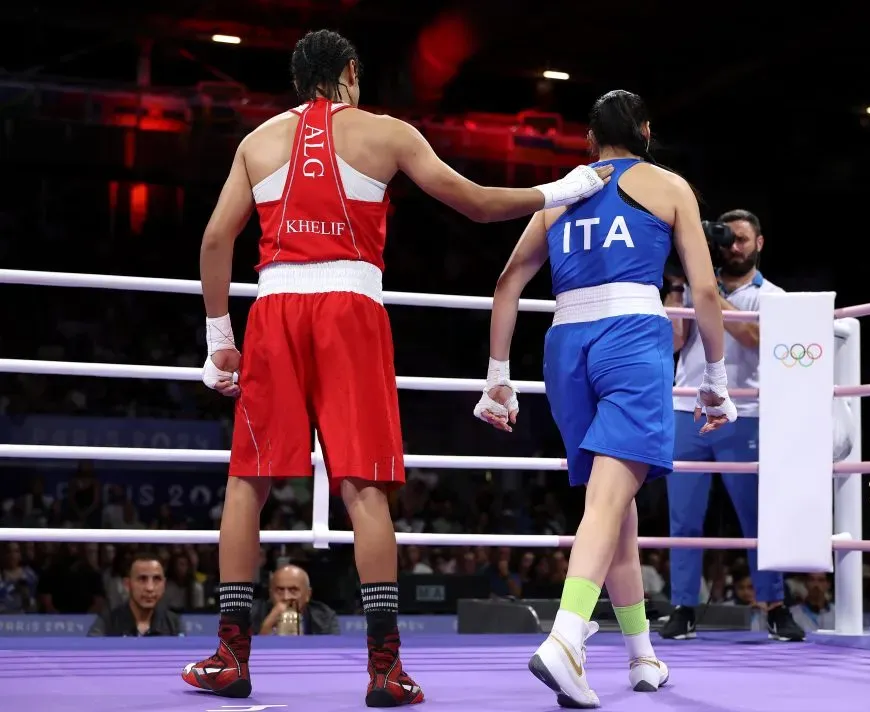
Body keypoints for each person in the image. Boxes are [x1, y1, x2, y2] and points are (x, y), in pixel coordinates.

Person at [183, 29, 613, 707]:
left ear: (301, 82)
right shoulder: (386, 132)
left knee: (248, 480)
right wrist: (560, 188)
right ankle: (384, 669)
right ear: (351, 73)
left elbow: (214, 238)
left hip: (273, 309)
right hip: (350, 310)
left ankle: (230, 659)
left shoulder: (256, 141)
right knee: (363, 486)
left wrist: (218, 338)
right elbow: (474, 202)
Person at [473, 89, 737, 708]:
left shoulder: (563, 191)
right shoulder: (669, 186)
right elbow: (703, 289)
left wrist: (497, 375)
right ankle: (566, 640)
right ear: (644, 130)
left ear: (591, 140)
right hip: (630, 340)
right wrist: (717, 380)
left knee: (614, 505)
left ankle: (642, 655)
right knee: (608, 500)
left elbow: (507, 281)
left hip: (565, 348)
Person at [658, 210, 805, 643]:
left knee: (755, 518)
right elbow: (673, 342)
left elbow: (758, 343)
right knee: (683, 518)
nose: (734, 247)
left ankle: (775, 607)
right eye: (727, 240)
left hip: (746, 414)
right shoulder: (690, 289)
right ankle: (683, 606)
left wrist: (709, 293)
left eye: (743, 239)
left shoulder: (772, 296)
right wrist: (681, 287)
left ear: (759, 243)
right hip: (688, 408)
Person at [88, 554, 181, 637]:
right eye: (142, 579)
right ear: (127, 584)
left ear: (164, 584)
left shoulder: (173, 624)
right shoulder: (107, 623)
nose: (150, 588)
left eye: (156, 579)